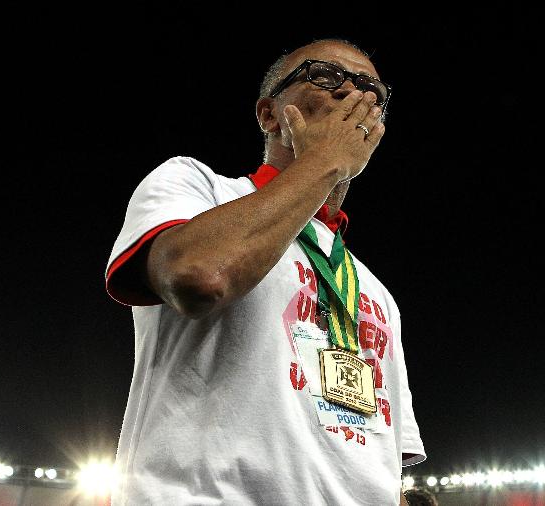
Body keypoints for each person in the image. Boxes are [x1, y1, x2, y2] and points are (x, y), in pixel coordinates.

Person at [104, 38, 425, 505]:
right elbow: (199, 277)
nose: (355, 95)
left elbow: (381, 458)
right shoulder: (197, 189)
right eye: (327, 76)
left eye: (371, 89)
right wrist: (324, 162)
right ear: (269, 114)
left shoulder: (375, 291)